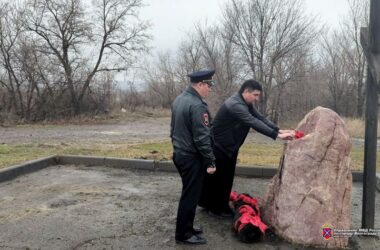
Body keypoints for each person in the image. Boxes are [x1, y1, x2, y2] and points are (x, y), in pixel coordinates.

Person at [198, 79, 294, 217]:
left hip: (229, 146)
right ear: (246, 91)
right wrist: (277, 135)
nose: (257, 98)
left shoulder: (245, 103)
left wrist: (279, 130)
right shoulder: (235, 105)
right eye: (255, 95)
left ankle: (209, 204)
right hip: (219, 146)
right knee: (221, 178)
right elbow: (252, 121)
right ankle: (218, 209)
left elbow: (260, 118)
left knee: (219, 177)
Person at [170, 69, 217, 245]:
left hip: (180, 153)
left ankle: (187, 228)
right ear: (200, 84)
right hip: (191, 157)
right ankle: (183, 234)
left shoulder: (180, 99)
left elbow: (173, 129)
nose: (210, 89)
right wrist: (210, 160)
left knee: (188, 193)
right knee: (190, 196)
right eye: (208, 85)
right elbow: (202, 137)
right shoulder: (197, 105)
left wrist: (176, 148)